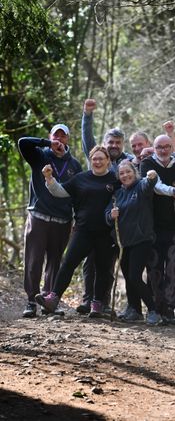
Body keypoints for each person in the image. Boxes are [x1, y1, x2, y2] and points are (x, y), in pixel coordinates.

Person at [35, 146, 119, 317]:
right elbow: (60, 192)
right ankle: (53, 299)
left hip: (106, 232)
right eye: (94, 158)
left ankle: (97, 305)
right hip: (83, 230)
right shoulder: (80, 178)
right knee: (68, 264)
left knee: (103, 269)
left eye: (101, 158)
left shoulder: (115, 179)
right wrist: (49, 178)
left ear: (108, 160)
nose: (97, 161)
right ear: (90, 160)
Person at [18, 124, 82, 318]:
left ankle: (49, 301)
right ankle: (31, 301)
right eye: (56, 136)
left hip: (62, 221)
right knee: (33, 261)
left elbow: (78, 194)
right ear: (50, 137)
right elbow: (22, 142)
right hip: (39, 216)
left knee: (55, 263)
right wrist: (47, 143)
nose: (59, 140)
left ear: (68, 140)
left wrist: (76, 219)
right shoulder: (39, 155)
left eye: (63, 136)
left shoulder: (75, 165)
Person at [76, 99, 133, 315]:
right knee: (89, 261)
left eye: (118, 142)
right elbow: (87, 140)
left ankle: (103, 301)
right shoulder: (99, 158)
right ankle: (87, 299)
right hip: (93, 219)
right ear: (105, 142)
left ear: (122, 145)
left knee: (108, 264)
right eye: (111, 142)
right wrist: (87, 116)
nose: (114, 146)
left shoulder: (128, 163)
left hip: (117, 221)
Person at [105, 160, 162, 325]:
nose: (125, 175)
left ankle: (153, 310)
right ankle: (134, 310)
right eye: (121, 173)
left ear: (134, 172)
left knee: (134, 277)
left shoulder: (140, 187)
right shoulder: (117, 194)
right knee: (130, 279)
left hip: (141, 240)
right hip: (123, 244)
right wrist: (111, 215)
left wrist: (152, 177)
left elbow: (149, 183)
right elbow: (107, 214)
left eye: (128, 172)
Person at [140, 134, 175, 325]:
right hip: (153, 227)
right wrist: (174, 192)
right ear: (154, 148)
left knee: (172, 268)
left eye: (167, 146)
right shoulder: (147, 164)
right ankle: (156, 308)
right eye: (159, 147)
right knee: (154, 268)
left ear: (171, 148)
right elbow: (156, 187)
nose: (163, 150)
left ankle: (169, 310)